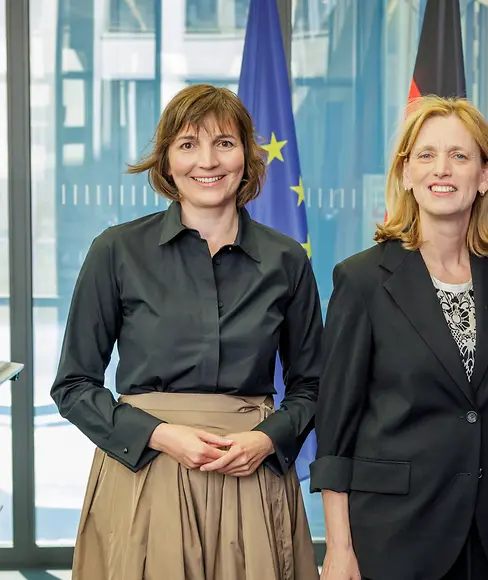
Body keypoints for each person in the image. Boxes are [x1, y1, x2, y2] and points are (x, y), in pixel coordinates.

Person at [50, 84, 322, 580]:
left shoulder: (286, 260)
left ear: (246, 156)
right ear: (167, 162)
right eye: (188, 144)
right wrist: (160, 435)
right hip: (146, 474)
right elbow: (73, 386)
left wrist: (266, 440)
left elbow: (315, 385)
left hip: (253, 481)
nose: (208, 161)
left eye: (224, 142)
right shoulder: (116, 251)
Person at [310, 95, 488, 580]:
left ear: (484, 176)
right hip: (395, 536)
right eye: (426, 155)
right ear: (405, 174)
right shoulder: (362, 280)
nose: (442, 169)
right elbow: (335, 432)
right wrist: (339, 549)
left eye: (460, 156)